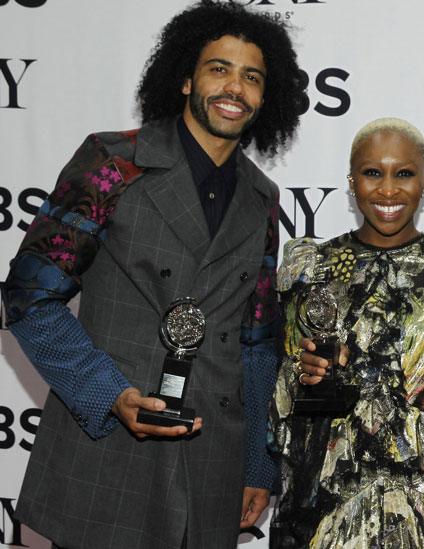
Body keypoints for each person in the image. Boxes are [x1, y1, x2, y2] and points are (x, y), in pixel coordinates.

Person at [0, 2, 304, 547]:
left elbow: (257, 345)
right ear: (185, 79)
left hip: (212, 467)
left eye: (251, 76)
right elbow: (28, 298)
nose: (234, 87)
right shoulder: (114, 162)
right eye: (219, 68)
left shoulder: (262, 199)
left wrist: (257, 465)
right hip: (109, 457)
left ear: (266, 96)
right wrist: (108, 394)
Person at [268, 117, 424, 548]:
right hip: (336, 486)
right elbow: (287, 385)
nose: (388, 190)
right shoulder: (314, 268)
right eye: (372, 173)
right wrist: (306, 372)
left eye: (404, 173)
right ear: (351, 181)